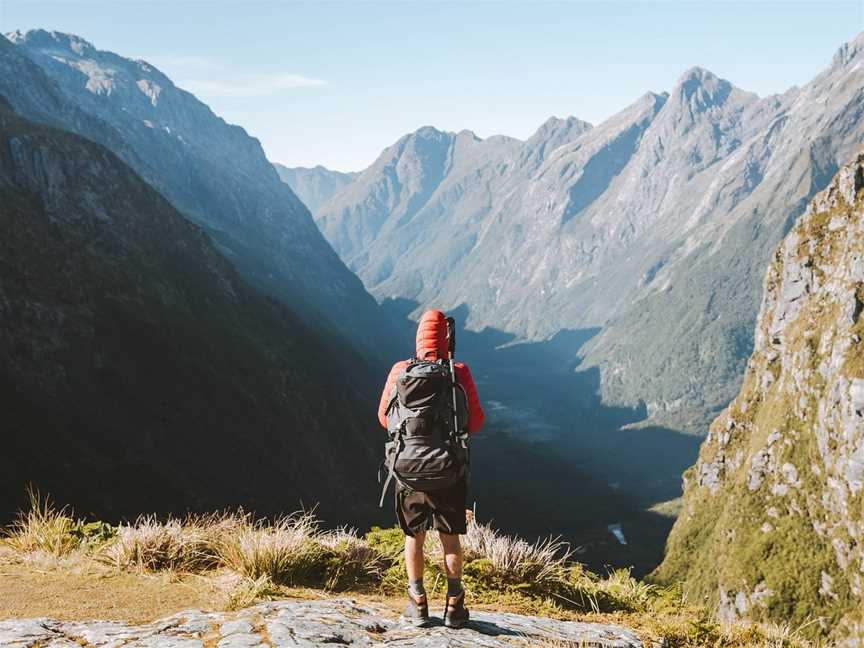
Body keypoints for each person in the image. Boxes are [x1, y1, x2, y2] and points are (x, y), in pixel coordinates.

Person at [377, 309, 484, 629]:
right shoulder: (458, 371)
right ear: (446, 338)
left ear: (419, 338)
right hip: (448, 469)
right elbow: (476, 421)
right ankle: (454, 607)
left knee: (414, 537)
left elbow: (384, 418)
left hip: (408, 470)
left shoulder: (400, 370)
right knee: (450, 540)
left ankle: (418, 604)